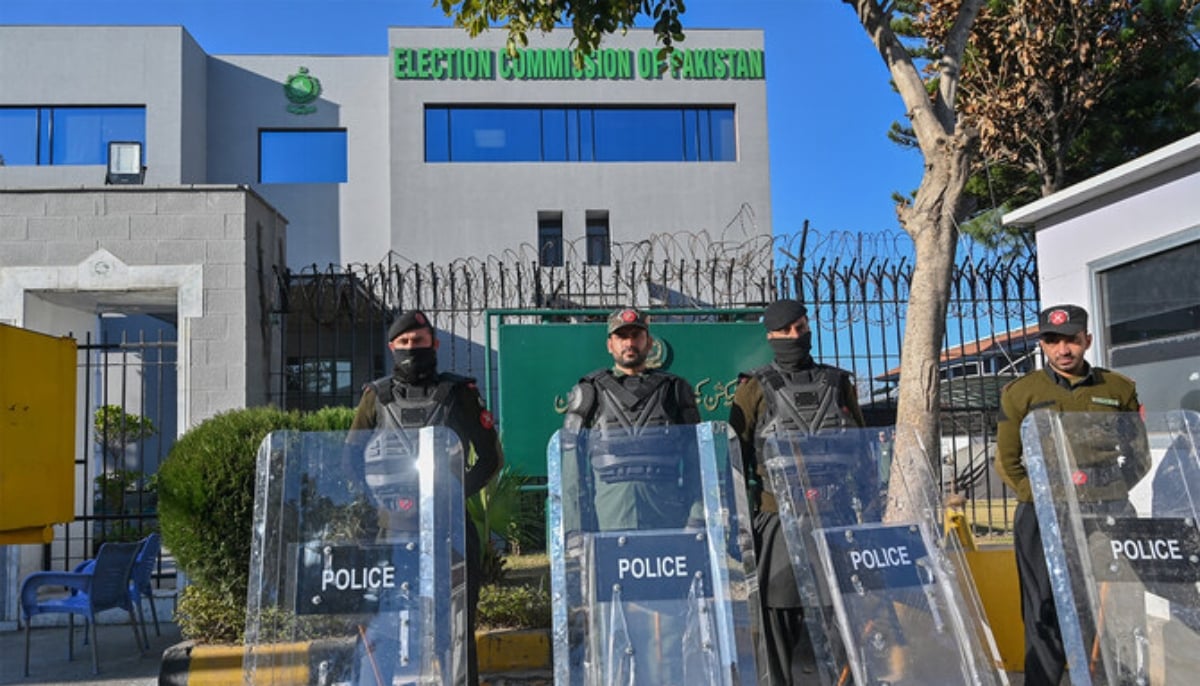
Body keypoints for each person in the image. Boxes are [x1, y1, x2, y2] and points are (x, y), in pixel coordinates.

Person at [995, 304, 1149, 686]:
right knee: (1044, 608)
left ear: (1087, 340)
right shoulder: (1022, 393)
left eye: (1071, 340)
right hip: (1044, 512)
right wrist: (1042, 496)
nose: (1063, 349)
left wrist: (1108, 490)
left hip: (1107, 512)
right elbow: (1007, 461)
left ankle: (1121, 679)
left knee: (1120, 604)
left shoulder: (1118, 389)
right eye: (1052, 341)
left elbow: (1139, 456)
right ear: (1043, 345)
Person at [348, 309, 504, 685]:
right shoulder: (376, 398)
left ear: (434, 345)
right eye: (403, 343)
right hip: (393, 534)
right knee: (384, 624)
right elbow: (352, 458)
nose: (411, 349)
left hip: (449, 532)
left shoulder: (458, 394)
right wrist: (377, 502)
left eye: (418, 342)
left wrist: (451, 495)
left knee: (456, 627)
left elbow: (489, 458)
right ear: (391, 348)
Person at [729, 298, 868, 685]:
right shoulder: (753, 388)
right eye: (786, 331)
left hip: (835, 517)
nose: (795, 336)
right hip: (777, 519)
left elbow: (861, 450)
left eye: (801, 328)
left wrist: (869, 511)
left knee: (840, 617)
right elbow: (736, 461)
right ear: (771, 335)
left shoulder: (839, 383)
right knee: (778, 618)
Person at [561, 306, 703, 531]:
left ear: (648, 342)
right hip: (610, 519)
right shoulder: (589, 392)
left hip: (667, 517)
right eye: (621, 337)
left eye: (636, 335)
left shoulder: (675, 390)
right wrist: (575, 529)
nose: (629, 343)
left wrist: (697, 517)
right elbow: (571, 470)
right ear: (610, 345)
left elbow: (697, 458)